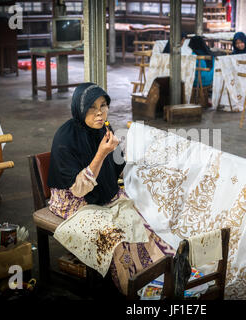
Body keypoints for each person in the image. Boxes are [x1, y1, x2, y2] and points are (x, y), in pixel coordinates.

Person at [47, 83, 175, 295]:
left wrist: (151, 168)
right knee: (114, 238)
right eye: (91, 107)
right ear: (80, 109)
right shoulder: (65, 137)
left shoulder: (105, 130)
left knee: (143, 224)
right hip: (74, 203)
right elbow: (78, 190)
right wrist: (101, 153)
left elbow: (118, 166)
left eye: (103, 105)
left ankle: (164, 278)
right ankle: (133, 289)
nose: (99, 112)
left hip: (104, 195)